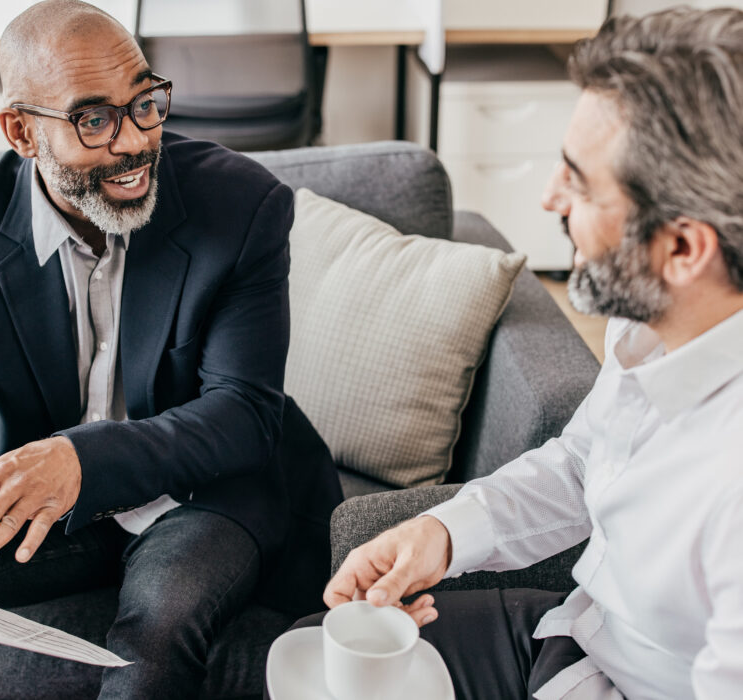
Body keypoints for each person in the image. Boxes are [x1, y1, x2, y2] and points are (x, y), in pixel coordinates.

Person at [0, 1, 340, 698]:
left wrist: (80, 460)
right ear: (21, 131)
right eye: (93, 119)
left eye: (144, 103)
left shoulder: (241, 204)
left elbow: (244, 413)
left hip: (200, 493)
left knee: (157, 632)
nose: (136, 141)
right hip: (38, 503)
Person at [318, 7, 743, 699]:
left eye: (577, 180)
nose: (550, 199)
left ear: (683, 248)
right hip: (576, 638)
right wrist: (439, 535)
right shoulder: (654, 334)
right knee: (314, 656)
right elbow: (581, 464)